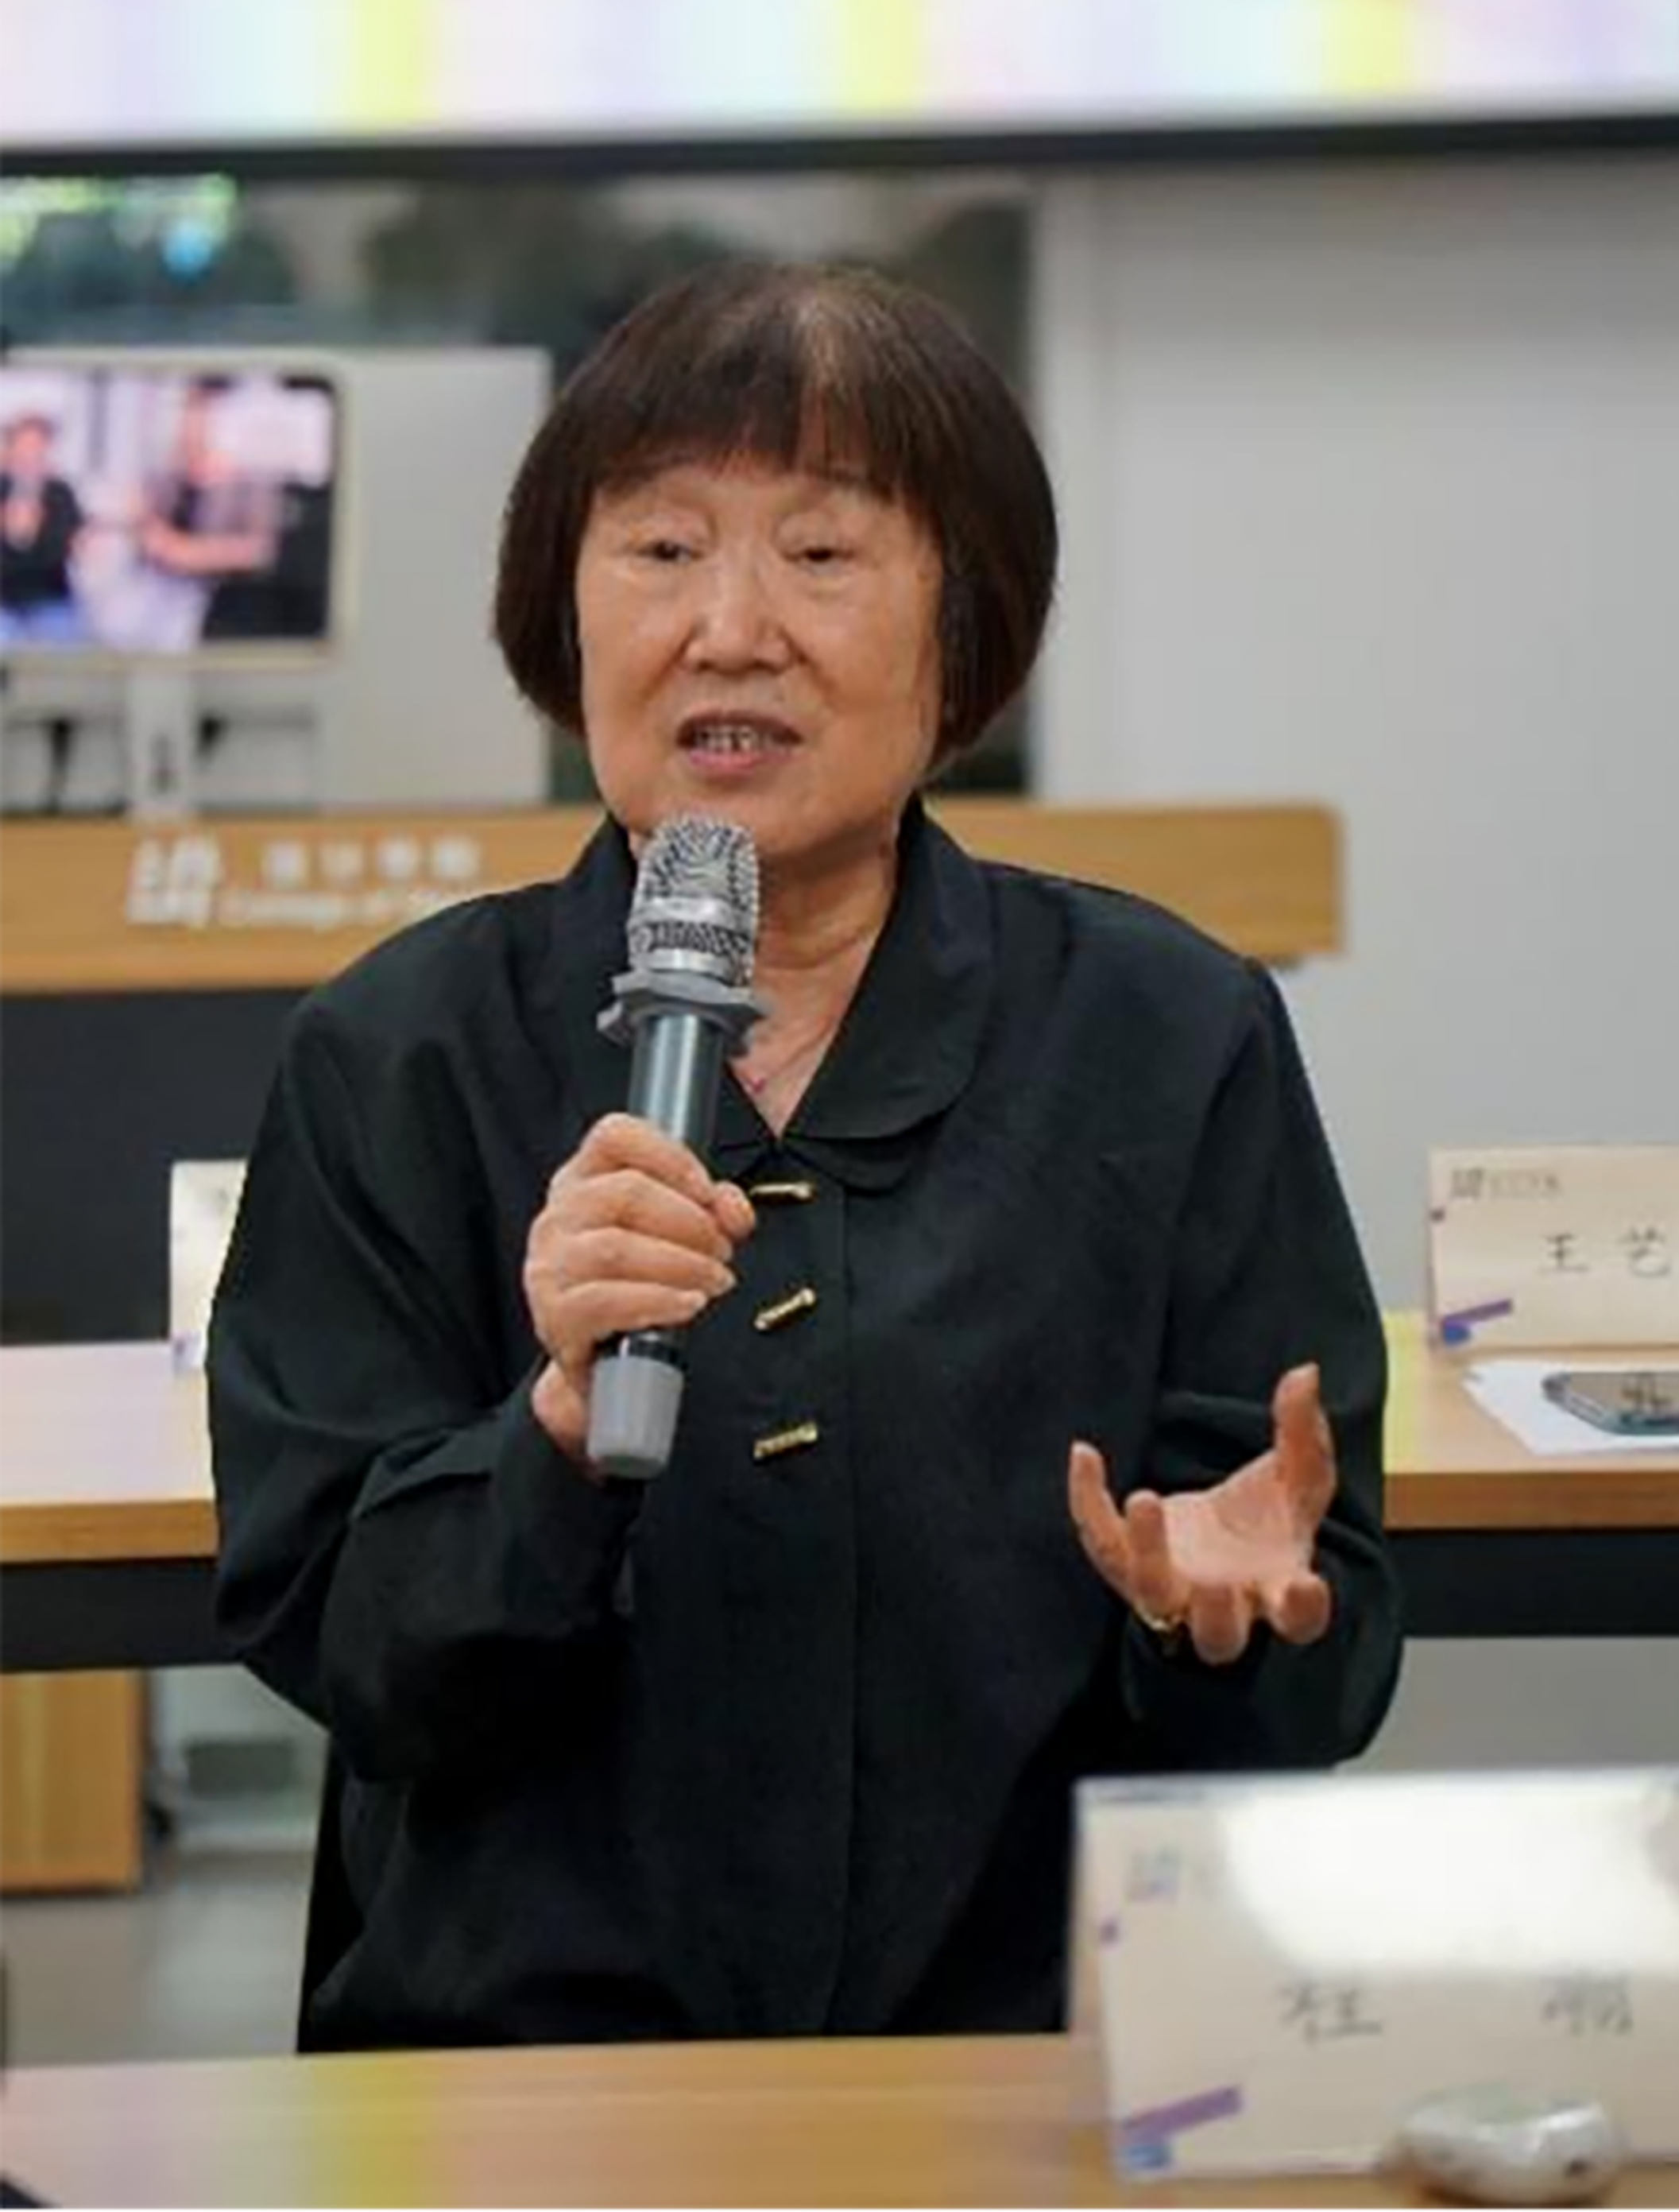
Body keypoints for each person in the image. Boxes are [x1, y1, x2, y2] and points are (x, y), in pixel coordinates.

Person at [209, 260, 1404, 2054]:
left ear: (963, 630)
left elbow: (1322, 1652)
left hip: (1025, 2074)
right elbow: (346, 1652)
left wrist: (1218, 1624)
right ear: (561, 612)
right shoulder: (398, 1051)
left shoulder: (1168, 1035)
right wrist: (551, 1439)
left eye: (822, 552)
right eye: (660, 547)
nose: (729, 627)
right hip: (527, 2098)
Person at [132, 378, 281, 649]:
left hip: (226, 604)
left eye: (203, 412)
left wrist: (188, 553)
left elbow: (262, 549)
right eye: (190, 411)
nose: (194, 423)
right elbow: (148, 534)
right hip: (161, 596)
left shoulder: (250, 479)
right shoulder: (167, 475)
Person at [0, 413, 87, 645]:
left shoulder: (60, 493)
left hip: (50, 599)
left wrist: (36, 530)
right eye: (25, 446)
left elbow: (64, 548)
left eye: (38, 446)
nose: (31, 454)